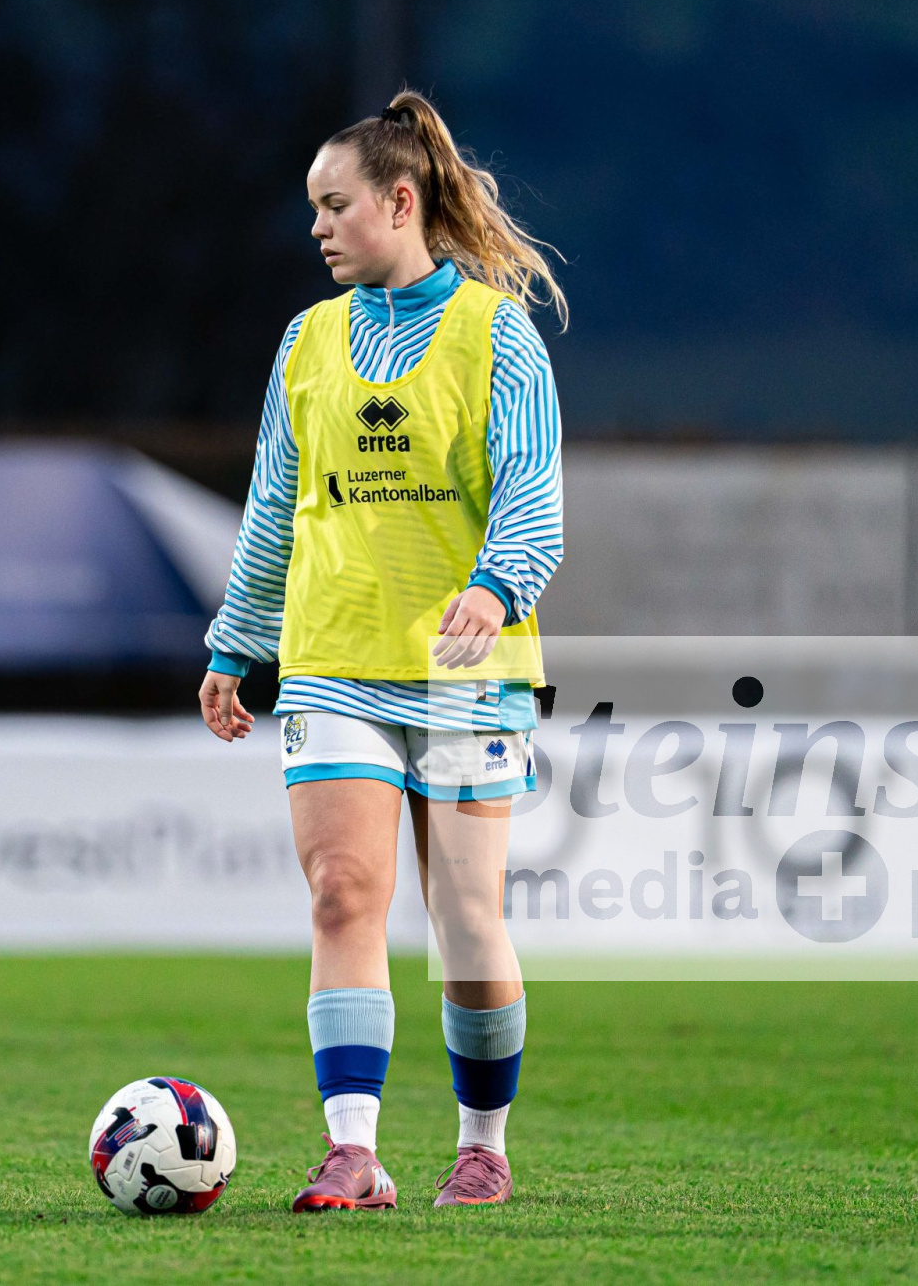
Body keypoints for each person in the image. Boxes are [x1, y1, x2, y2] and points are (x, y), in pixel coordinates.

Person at [198, 90, 565, 1211]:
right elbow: (273, 506)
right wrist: (235, 645)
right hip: (334, 659)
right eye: (313, 206)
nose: (316, 226)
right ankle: (352, 1150)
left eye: (335, 204)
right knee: (342, 894)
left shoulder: (497, 335)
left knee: (465, 923)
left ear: (400, 202)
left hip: (464, 677)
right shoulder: (306, 341)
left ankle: (481, 1144)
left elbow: (534, 499)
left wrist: (492, 590)